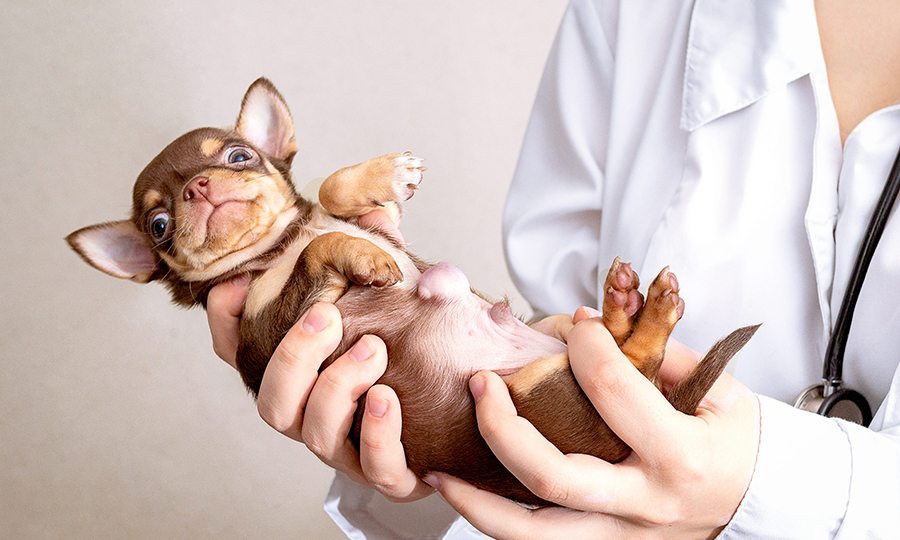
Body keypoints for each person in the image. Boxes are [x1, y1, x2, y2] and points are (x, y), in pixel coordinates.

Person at [208, 0, 900, 538]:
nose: (210, 195)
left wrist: (770, 491)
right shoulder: (637, 14)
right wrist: (410, 454)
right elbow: (540, 349)